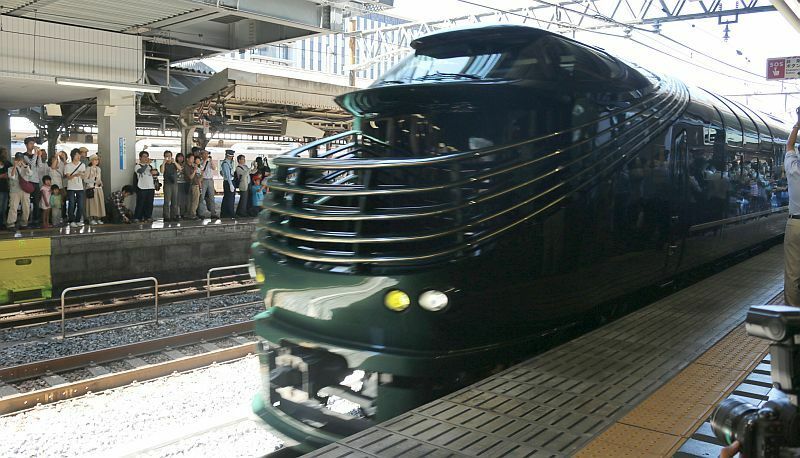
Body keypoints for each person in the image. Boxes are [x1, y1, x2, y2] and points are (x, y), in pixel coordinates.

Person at [785, 108, 800, 306]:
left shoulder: (793, 168)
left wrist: (797, 123)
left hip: (795, 225)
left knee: (792, 274)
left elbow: (789, 145)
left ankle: (793, 319)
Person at [7, 153, 34, 230]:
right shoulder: (10, 168)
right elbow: (12, 176)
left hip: (25, 191)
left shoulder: (26, 167)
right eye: (18, 159)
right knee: (13, 207)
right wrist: (15, 166)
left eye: (21, 159)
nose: (19, 161)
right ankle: (11, 224)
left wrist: (25, 166)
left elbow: (30, 174)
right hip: (15, 190)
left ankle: (24, 223)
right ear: (14, 160)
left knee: (26, 207)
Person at [22, 138, 42, 226]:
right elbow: (31, 164)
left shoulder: (36, 155)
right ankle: (26, 220)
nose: (33, 145)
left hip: (36, 181)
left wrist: (39, 155)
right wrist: (36, 154)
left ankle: (36, 219)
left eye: (33, 143)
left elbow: (40, 166)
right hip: (28, 181)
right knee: (26, 202)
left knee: (36, 202)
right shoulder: (24, 156)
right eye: (30, 143)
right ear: (26, 145)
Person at [64, 148, 87, 228]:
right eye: (77, 155)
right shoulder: (68, 166)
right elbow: (68, 177)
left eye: (79, 155)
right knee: (71, 204)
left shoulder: (82, 165)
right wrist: (75, 175)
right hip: (71, 188)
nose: (78, 156)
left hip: (80, 187)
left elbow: (84, 177)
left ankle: (78, 220)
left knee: (80, 205)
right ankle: (71, 220)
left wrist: (82, 174)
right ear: (73, 155)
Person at [133, 151, 157, 223]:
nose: (146, 158)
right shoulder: (138, 166)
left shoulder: (150, 166)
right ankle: (137, 217)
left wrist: (156, 172)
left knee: (149, 203)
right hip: (142, 187)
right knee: (140, 203)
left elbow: (155, 174)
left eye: (147, 156)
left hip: (151, 187)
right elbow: (140, 171)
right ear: (140, 158)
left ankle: (148, 216)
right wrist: (147, 164)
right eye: (144, 156)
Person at [85, 154, 106, 225]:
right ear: (91, 160)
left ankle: (98, 218)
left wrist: (100, 182)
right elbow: (85, 180)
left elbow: (99, 178)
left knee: (99, 203)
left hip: (98, 188)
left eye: (97, 159)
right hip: (91, 188)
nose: (96, 161)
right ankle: (92, 219)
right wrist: (94, 181)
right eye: (95, 159)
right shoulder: (88, 168)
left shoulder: (98, 169)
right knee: (92, 204)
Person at [160, 150, 179, 221]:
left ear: (171, 156)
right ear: (164, 157)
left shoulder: (174, 164)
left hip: (174, 184)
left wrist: (175, 162)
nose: (168, 157)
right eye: (166, 156)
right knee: (167, 201)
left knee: (175, 200)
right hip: (167, 184)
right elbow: (162, 171)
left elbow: (180, 169)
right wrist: (164, 163)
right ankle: (166, 216)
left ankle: (174, 215)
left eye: (169, 156)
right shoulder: (163, 165)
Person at [199, 149, 218, 219]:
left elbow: (214, 168)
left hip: (210, 179)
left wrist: (211, 161)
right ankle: (201, 213)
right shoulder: (200, 162)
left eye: (207, 154)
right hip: (203, 180)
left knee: (212, 197)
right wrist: (205, 161)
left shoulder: (209, 161)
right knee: (201, 197)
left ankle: (213, 213)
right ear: (201, 155)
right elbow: (201, 168)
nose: (206, 155)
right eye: (204, 154)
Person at [183, 153, 200, 220]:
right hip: (191, 185)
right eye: (192, 158)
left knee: (192, 200)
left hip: (195, 184)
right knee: (194, 200)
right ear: (187, 159)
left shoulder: (192, 166)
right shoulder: (186, 167)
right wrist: (195, 170)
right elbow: (190, 177)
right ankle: (192, 214)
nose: (193, 160)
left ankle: (189, 214)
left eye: (193, 159)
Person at [220, 149, 236, 218]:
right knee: (230, 199)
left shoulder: (229, 162)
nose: (232, 157)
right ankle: (230, 213)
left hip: (229, 182)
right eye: (231, 156)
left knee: (227, 198)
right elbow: (228, 175)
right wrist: (230, 184)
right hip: (228, 182)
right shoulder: (226, 163)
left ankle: (225, 213)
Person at [174, 152, 187, 221]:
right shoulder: (174, 164)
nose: (180, 158)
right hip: (177, 183)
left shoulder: (185, 165)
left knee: (183, 199)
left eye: (182, 157)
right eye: (179, 157)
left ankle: (183, 213)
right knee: (177, 199)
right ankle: (177, 214)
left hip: (184, 183)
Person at [0, 148, 10, 229]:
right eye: (4, 153)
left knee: (4, 207)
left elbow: (11, 174)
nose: (6, 154)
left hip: (5, 188)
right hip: (2, 188)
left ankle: (3, 223)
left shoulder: (7, 163)